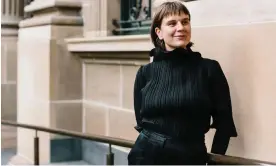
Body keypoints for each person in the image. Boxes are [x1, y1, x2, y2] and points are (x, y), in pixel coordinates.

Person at [128, 1, 238, 165]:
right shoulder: (145, 73)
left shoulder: (208, 69)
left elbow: (225, 125)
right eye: (172, 23)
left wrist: (215, 162)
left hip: (189, 156)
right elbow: (141, 120)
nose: (181, 27)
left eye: (185, 21)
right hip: (145, 155)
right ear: (159, 32)